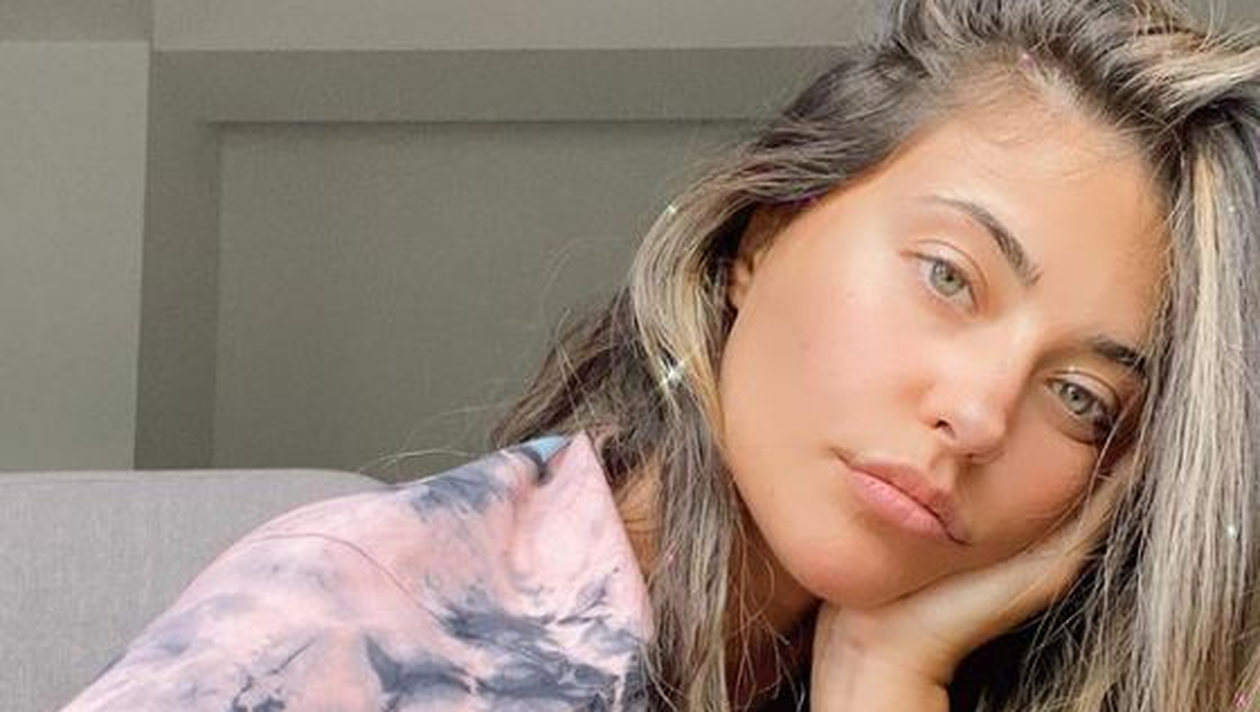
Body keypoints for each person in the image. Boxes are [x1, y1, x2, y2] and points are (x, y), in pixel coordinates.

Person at [61, 0, 1260, 710]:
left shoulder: (1024, 674)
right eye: (949, 276)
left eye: (1080, 395)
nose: (982, 413)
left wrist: (884, 682)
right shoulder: (354, 630)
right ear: (762, 234)